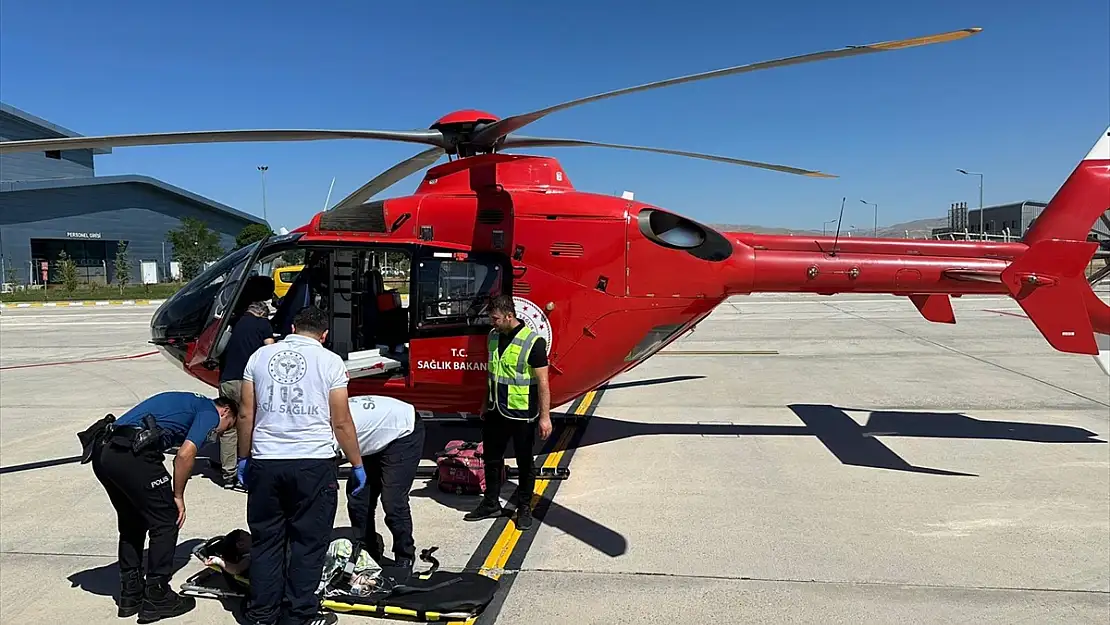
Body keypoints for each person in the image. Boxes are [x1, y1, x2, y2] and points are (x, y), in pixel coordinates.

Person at [236, 306, 367, 625]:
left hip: (267, 460)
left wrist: (243, 458)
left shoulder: (260, 357)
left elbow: (245, 414)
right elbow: (341, 421)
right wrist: (357, 463)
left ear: (292, 327)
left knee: (267, 540)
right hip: (313, 463)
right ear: (324, 335)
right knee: (308, 542)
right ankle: (298, 615)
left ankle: (261, 614)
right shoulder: (330, 362)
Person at [89, 391, 239, 620]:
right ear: (226, 411)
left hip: (104, 450)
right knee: (167, 521)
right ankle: (157, 596)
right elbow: (185, 455)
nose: (221, 433)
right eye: (228, 427)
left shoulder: (189, 402)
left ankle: (130, 593)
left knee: (132, 521)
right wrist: (178, 496)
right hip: (132, 452)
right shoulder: (209, 411)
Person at [463, 294, 552, 530]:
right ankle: (491, 503)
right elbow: (491, 374)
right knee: (491, 459)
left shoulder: (533, 342)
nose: (492, 322)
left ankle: (524, 507)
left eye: (495, 318)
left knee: (525, 463)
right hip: (495, 409)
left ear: (509, 316)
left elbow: (543, 383)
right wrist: (485, 402)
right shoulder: (493, 337)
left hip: (521, 412)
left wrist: (545, 417)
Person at [336, 394, 425, 570]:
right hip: (371, 435)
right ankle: (367, 551)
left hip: (402, 430)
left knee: (393, 501)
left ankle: (404, 555)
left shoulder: (328, 436)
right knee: (358, 499)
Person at [217, 300, 274, 489]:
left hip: (226, 380)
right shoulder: (262, 324)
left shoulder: (233, 321)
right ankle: (249, 470)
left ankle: (228, 475)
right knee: (250, 424)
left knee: (228, 428)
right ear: (262, 313)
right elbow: (271, 349)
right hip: (246, 382)